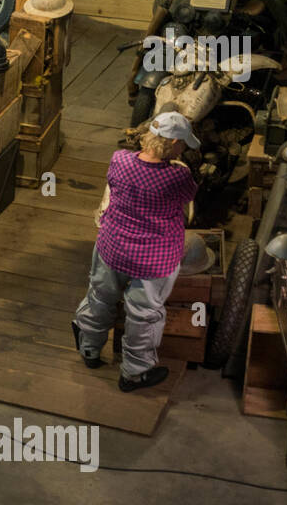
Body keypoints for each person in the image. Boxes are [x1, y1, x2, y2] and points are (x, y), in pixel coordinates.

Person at [72, 112, 200, 392]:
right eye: (183, 145)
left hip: (113, 245)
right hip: (154, 257)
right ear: (175, 144)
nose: (184, 149)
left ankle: (89, 349)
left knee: (100, 296)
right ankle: (133, 374)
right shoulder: (177, 176)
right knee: (144, 314)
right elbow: (189, 196)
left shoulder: (119, 159)